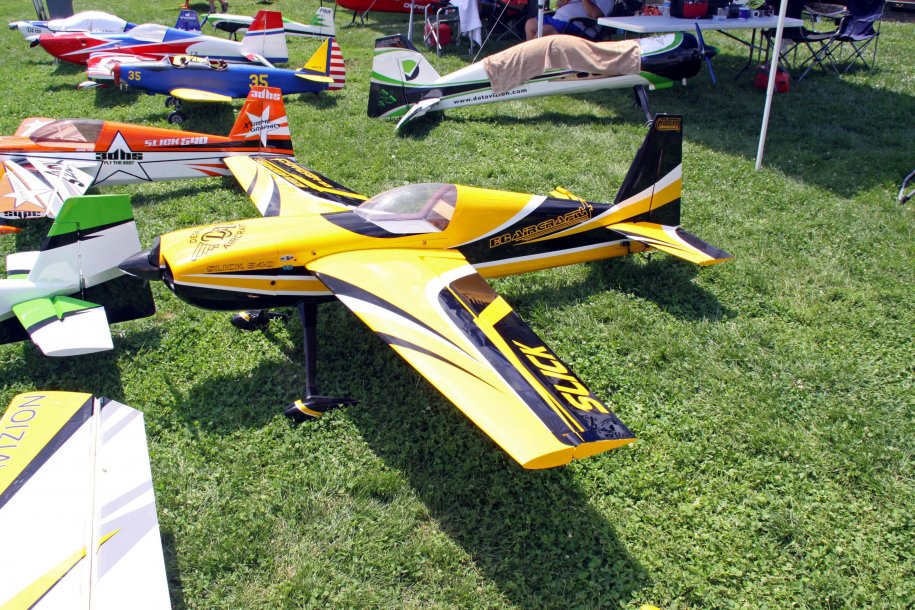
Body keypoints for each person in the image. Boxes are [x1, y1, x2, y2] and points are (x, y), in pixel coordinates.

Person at [525, 0, 614, 40]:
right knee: (530, 24)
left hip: (580, 25)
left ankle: (532, 60)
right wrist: (562, 2)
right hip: (558, 19)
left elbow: (596, 15)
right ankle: (536, 57)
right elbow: (558, 4)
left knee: (545, 31)